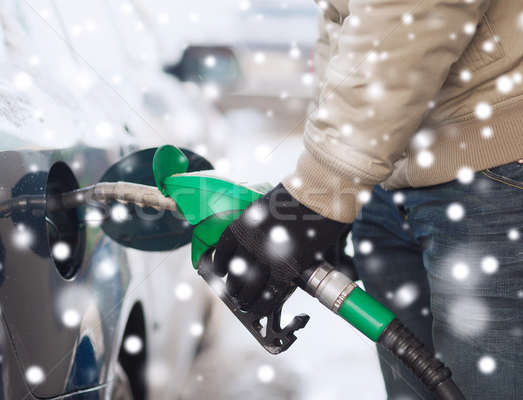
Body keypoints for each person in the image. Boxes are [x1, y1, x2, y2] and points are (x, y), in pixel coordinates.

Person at [210, 1, 523, 399]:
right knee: (417, 387)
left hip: (489, 173)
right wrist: (339, 189)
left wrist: (323, 186)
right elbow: (342, 25)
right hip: (386, 180)